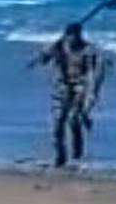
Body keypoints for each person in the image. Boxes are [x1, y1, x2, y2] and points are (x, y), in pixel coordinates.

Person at [30, 22, 102, 167]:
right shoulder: (58, 47)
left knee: (73, 119)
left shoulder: (88, 50)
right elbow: (43, 59)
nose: (72, 39)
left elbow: (94, 73)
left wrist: (92, 93)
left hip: (80, 88)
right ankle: (60, 156)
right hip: (61, 88)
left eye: (75, 36)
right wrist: (46, 51)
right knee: (57, 123)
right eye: (70, 36)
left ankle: (77, 153)